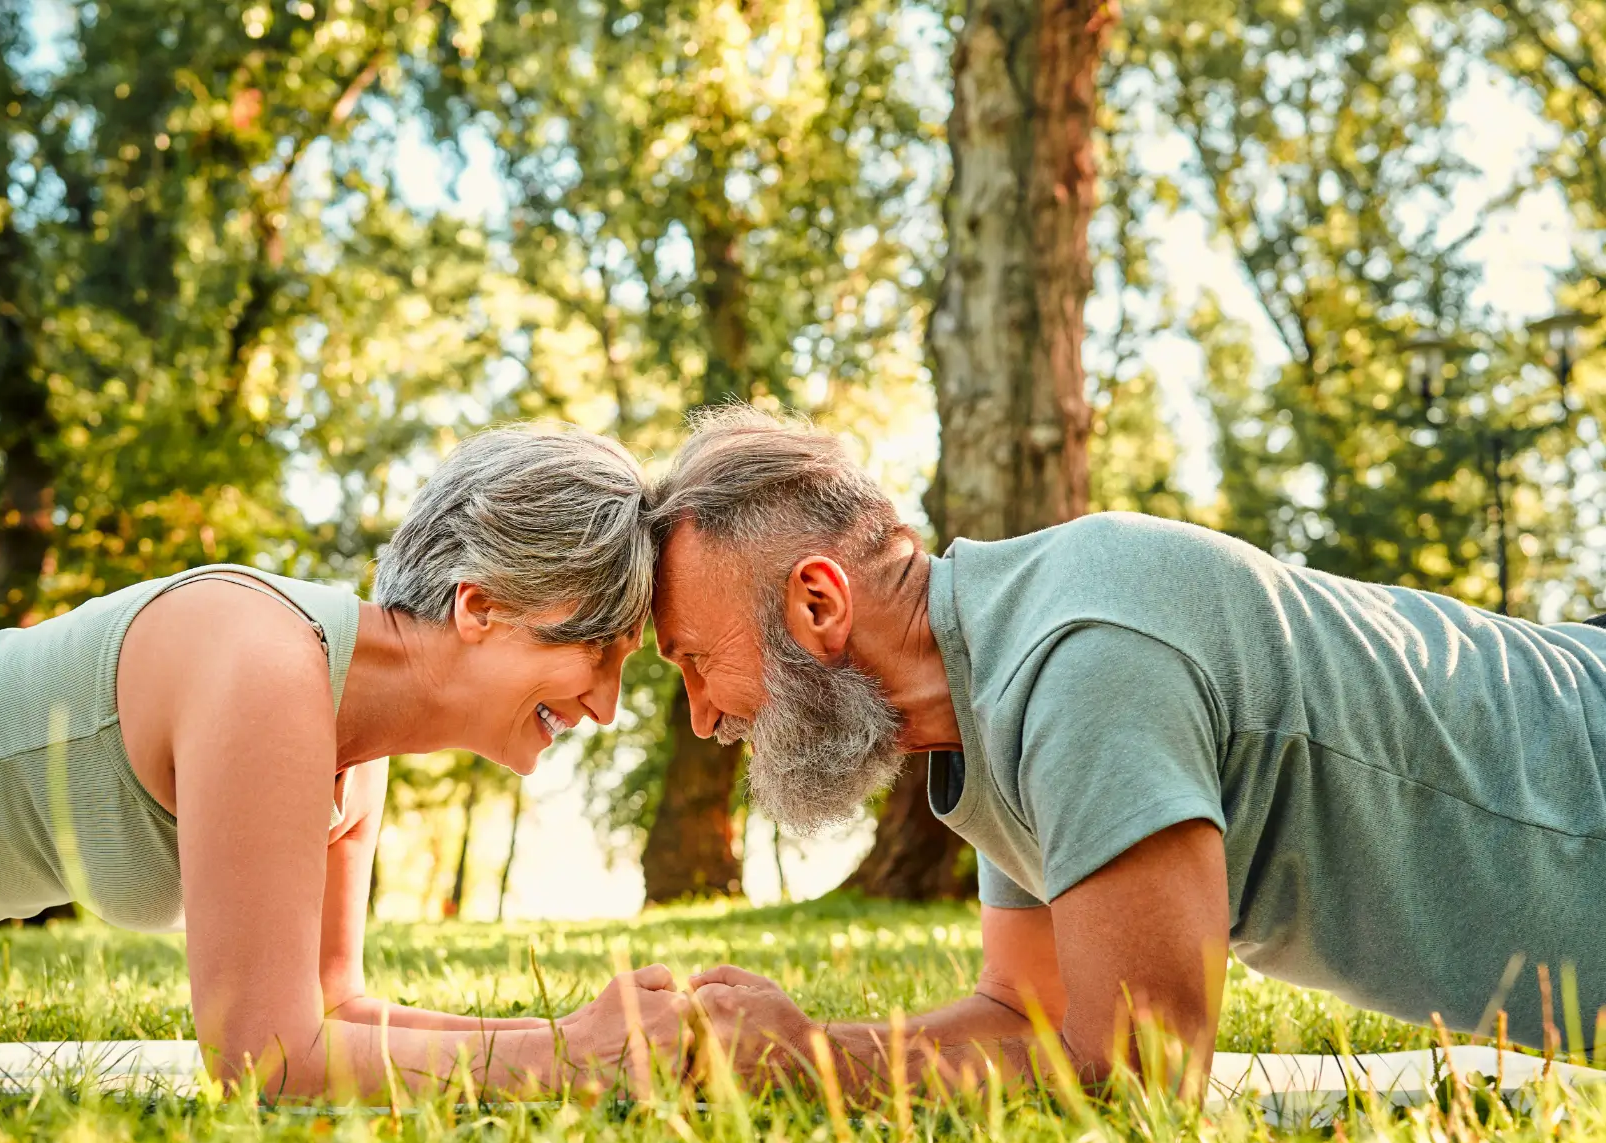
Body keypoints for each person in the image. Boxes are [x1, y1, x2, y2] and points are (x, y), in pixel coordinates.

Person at [0, 425, 690, 1097]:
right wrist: (574, 1059)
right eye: (594, 651)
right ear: (481, 606)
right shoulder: (266, 667)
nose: (605, 704)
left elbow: (332, 1011)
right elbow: (264, 1059)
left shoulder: (352, 741)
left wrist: (579, 1036)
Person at [652, 406, 1606, 1097]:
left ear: (818, 603)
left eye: (696, 660)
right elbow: (1023, 1012)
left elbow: (1145, 1062)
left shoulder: (1081, 659)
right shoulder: (990, 684)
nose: (703, 716)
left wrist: (806, 1061)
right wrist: (802, 1041)